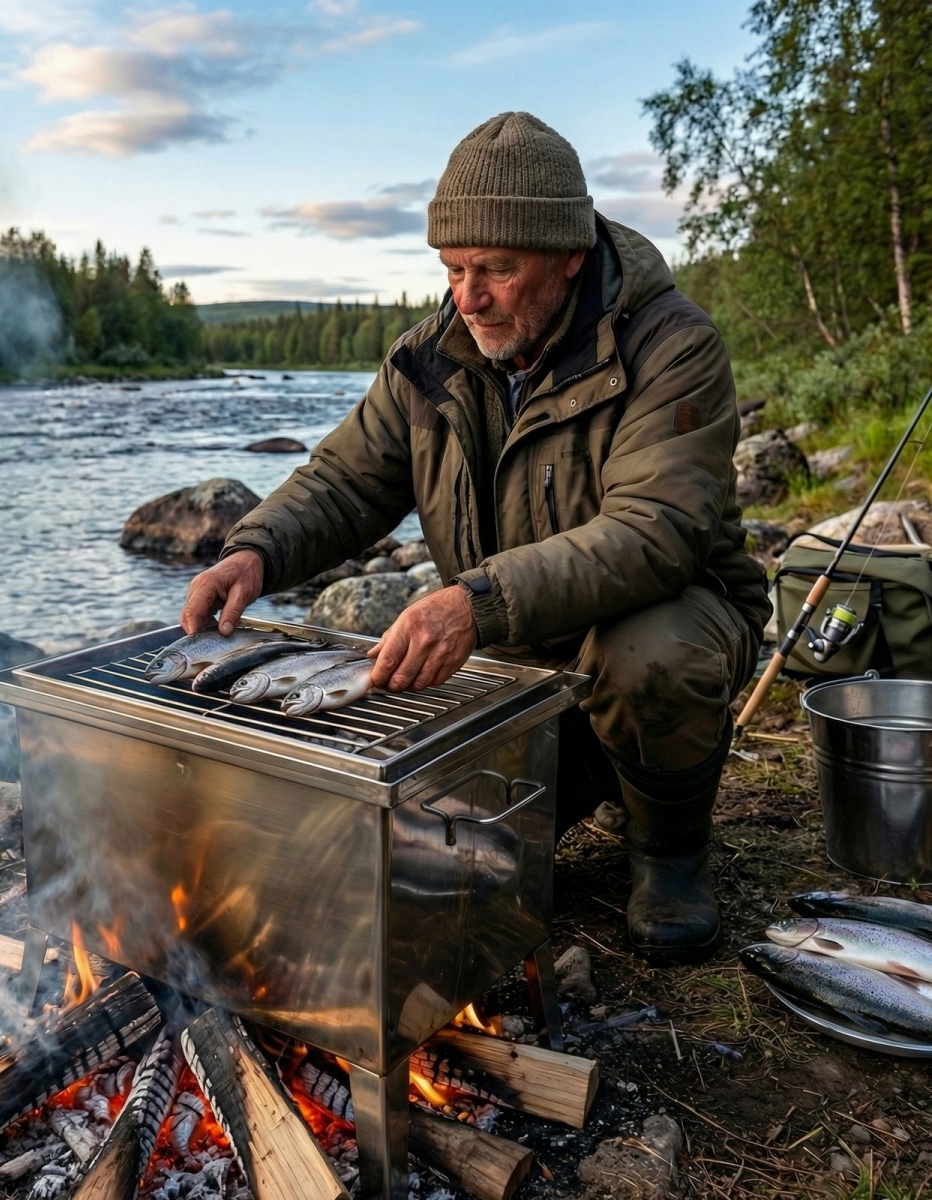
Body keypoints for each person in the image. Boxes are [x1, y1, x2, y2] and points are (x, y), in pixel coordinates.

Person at [179, 111, 771, 963]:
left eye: (496, 268)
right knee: (423, 868)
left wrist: (476, 603)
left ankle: (670, 854)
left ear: (569, 256)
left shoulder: (672, 347)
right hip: (516, 659)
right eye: (453, 268)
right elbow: (347, 479)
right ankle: (585, 772)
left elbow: (656, 534)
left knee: (649, 652)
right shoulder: (430, 359)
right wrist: (256, 549)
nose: (469, 295)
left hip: (657, 627)